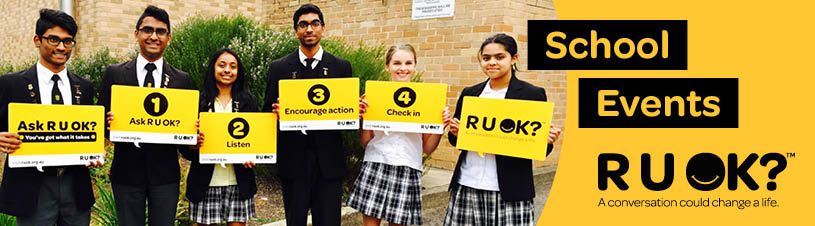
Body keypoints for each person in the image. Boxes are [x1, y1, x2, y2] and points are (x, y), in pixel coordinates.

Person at [443, 33, 562, 226]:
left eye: (500, 57)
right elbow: (457, 141)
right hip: (468, 183)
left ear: (514, 58)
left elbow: (539, 149)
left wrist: (547, 140)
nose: (492, 63)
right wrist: (456, 132)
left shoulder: (531, 94)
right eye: (486, 58)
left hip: (510, 190)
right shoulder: (470, 93)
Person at [0, 8, 103, 225]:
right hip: (33, 187)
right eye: (53, 39)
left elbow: (87, 133)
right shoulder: (11, 84)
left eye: (68, 41)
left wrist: (93, 152)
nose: (61, 47)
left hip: (74, 186)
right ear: (37, 40)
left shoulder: (83, 87)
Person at [96, 5, 195, 226]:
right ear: (136, 34)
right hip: (126, 172)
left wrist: (193, 136)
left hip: (165, 175)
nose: (153, 36)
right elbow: (101, 122)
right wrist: (109, 125)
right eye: (147, 30)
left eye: (160, 31)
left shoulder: (182, 80)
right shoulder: (115, 74)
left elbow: (187, 134)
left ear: (168, 38)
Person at [261, 3, 353, 226]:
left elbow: (347, 116)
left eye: (314, 23)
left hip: (328, 163)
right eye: (303, 25)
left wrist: (357, 111)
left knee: (329, 221)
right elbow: (266, 115)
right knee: (295, 221)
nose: (309, 29)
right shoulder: (279, 68)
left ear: (323, 28)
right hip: (294, 162)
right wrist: (277, 115)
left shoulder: (341, 67)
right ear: (296, 31)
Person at [349, 44, 451, 226]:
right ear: (387, 66)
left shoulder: (428, 100)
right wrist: (363, 117)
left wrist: (440, 127)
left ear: (414, 66)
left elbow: (427, 148)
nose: (403, 68)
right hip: (376, 164)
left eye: (408, 63)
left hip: (408, 166)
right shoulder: (373, 97)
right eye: (397, 63)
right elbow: (365, 142)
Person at [186, 48, 258, 226]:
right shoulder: (199, 102)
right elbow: (184, 147)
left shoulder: (248, 102)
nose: (227, 70)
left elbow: (257, 139)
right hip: (205, 181)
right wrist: (193, 144)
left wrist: (254, 156)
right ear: (213, 68)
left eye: (233, 66)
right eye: (222, 65)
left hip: (239, 181)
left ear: (238, 72)